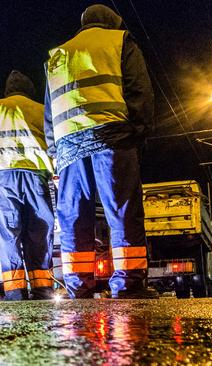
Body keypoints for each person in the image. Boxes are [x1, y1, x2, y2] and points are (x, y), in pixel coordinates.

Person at [43, 4, 155, 299]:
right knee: (121, 209)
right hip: (112, 137)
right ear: (112, 22)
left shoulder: (58, 55)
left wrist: (55, 151)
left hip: (68, 149)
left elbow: (49, 111)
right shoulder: (119, 41)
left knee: (74, 217)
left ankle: (79, 285)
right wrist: (140, 130)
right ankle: (128, 284)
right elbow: (138, 89)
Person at [0, 70, 55, 300]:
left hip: (4, 180)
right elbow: (55, 141)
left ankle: (15, 293)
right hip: (36, 178)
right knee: (39, 233)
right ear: (29, 91)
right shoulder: (40, 109)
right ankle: (42, 289)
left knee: (9, 236)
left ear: (8, 91)